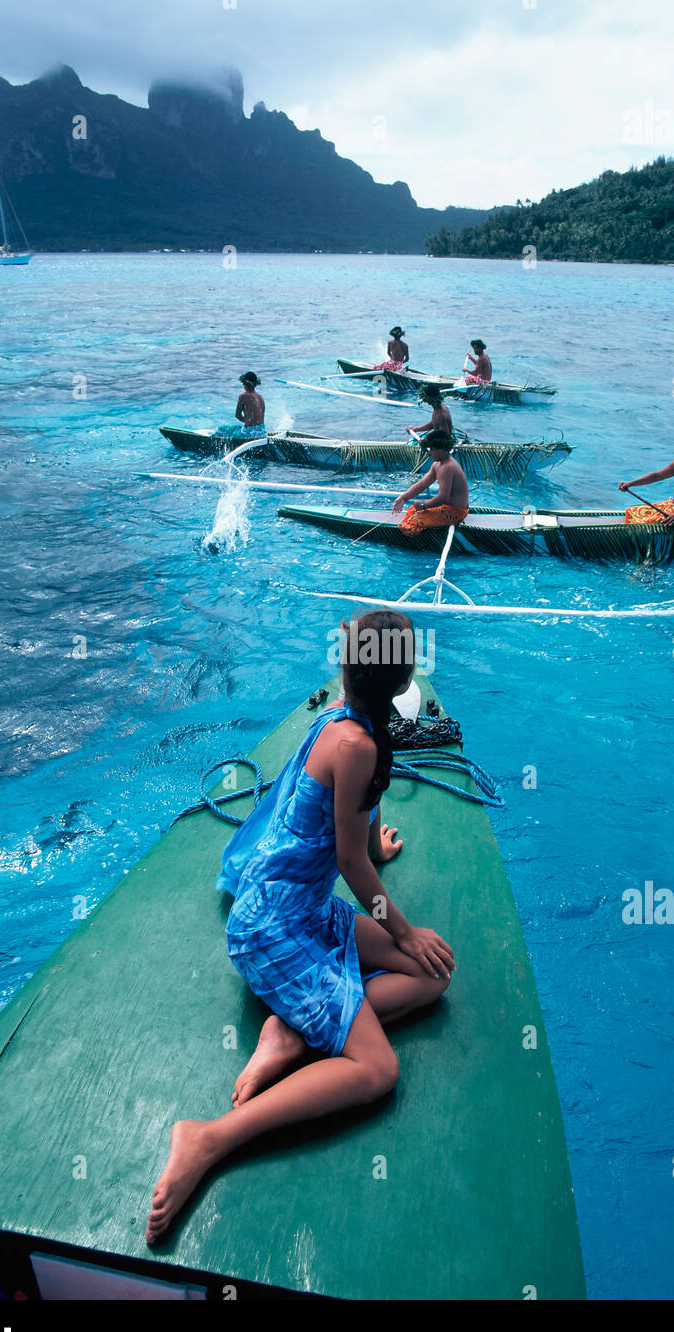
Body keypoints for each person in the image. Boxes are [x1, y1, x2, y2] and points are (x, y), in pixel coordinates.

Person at [145, 610, 454, 1244]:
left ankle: (291, 1031)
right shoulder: (360, 744)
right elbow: (348, 861)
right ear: (403, 685)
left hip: (300, 910)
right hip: (274, 932)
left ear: (346, 672)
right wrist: (402, 928)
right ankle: (209, 1138)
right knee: (378, 1071)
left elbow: (360, 822)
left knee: (432, 977)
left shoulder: (343, 720)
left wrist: (377, 850)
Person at [390, 433, 470, 536]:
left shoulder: (447, 467)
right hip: (446, 507)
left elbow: (443, 498)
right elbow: (422, 484)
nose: (430, 452)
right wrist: (402, 498)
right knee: (412, 510)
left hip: (454, 513)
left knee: (415, 521)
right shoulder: (437, 464)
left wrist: (424, 505)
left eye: (432, 449)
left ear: (442, 449)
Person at [214, 372, 266, 439]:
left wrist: (247, 421)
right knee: (236, 428)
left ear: (245, 384)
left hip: (249, 432)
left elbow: (237, 415)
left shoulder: (243, 396)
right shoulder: (260, 397)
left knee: (221, 429)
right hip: (262, 431)